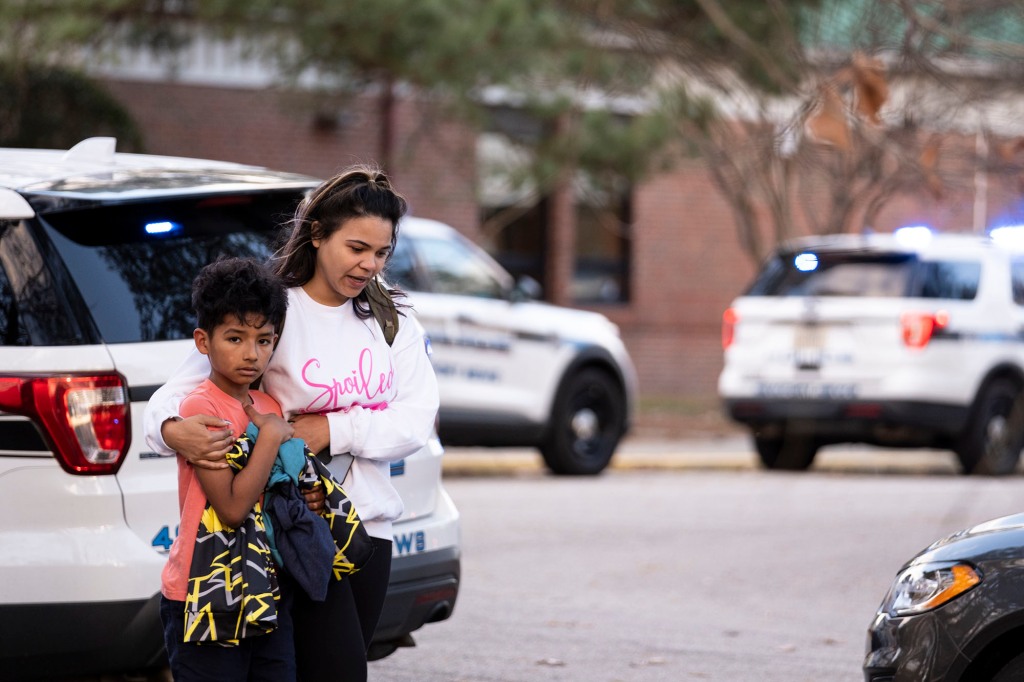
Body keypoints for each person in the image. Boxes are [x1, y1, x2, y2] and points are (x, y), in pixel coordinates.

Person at [145, 166, 441, 681]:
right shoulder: (276, 311)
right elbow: (177, 395)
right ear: (318, 234)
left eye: (382, 252)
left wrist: (330, 430)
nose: (369, 265)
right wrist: (172, 431)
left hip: (369, 529)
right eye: (356, 248)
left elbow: (416, 421)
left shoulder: (393, 319)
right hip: (299, 529)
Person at [160, 256, 296, 681]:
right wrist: (271, 439)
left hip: (264, 587)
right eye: (235, 338)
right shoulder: (201, 407)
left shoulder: (269, 406)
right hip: (205, 590)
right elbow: (233, 508)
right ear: (203, 341)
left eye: (264, 340)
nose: (251, 354)